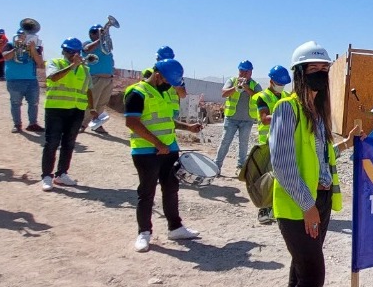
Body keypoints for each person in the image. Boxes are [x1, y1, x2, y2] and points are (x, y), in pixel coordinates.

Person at [260, 40, 343, 287]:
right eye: (314, 71)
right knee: (312, 279)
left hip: (318, 203)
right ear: (299, 74)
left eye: (325, 71)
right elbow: (282, 162)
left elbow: (320, 158)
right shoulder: (287, 108)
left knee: (299, 275)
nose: (320, 77)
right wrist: (308, 206)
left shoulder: (318, 113)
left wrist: (347, 143)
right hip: (298, 207)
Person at [125, 58, 203, 252]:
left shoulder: (167, 92)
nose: (170, 84)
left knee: (171, 189)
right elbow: (132, 123)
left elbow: (168, 120)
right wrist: (157, 144)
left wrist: (188, 128)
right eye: (168, 80)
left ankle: (175, 227)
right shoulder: (137, 92)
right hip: (145, 151)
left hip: (170, 148)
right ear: (158, 74)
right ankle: (144, 233)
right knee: (147, 192)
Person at [40, 38, 91, 191]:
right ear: (63, 51)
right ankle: (46, 176)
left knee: (69, 143)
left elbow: (88, 89)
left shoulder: (85, 69)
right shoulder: (54, 62)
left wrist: (92, 108)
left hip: (76, 110)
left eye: (75, 52)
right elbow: (53, 77)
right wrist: (72, 66)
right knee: (52, 143)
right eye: (69, 51)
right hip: (56, 108)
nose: (72, 54)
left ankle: (61, 174)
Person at [251, 65, 291, 225]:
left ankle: (277, 208)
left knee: (281, 177)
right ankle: (263, 211)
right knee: (268, 177)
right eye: (279, 83)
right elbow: (264, 118)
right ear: (271, 81)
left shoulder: (286, 95)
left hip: (283, 141)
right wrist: (284, 115)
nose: (281, 86)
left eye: (283, 83)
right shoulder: (262, 97)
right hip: (268, 142)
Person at [216, 60, 259, 175]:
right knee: (225, 142)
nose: (243, 74)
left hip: (247, 119)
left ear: (251, 72)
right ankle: (217, 166)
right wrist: (235, 88)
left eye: (246, 71)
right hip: (231, 118)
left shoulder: (255, 85)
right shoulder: (232, 81)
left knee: (243, 143)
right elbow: (224, 94)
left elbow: (259, 97)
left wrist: (246, 88)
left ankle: (240, 167)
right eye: (241, 71)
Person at [2, 24, 45, 133]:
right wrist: (17, 47)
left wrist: (33, 49)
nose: (24, 37)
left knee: (34, 103)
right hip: (14, 80)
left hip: (31, 80)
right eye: (22, 35)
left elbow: (40, 63)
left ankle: (33, 124)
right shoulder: (10, 45)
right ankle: (17, 124)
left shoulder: (36, 47)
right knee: (15, 103)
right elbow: (6, 57)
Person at [83, 23, 117, 135]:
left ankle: (96, 124)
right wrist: (100, 39)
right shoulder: (88, 43)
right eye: (97, 33)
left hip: (108, 79)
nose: (100, 35)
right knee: (92, 102)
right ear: (91, 34)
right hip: (95, 77)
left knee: (101, 103)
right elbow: (86, 50)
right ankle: (82, 123)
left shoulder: (105, 46)